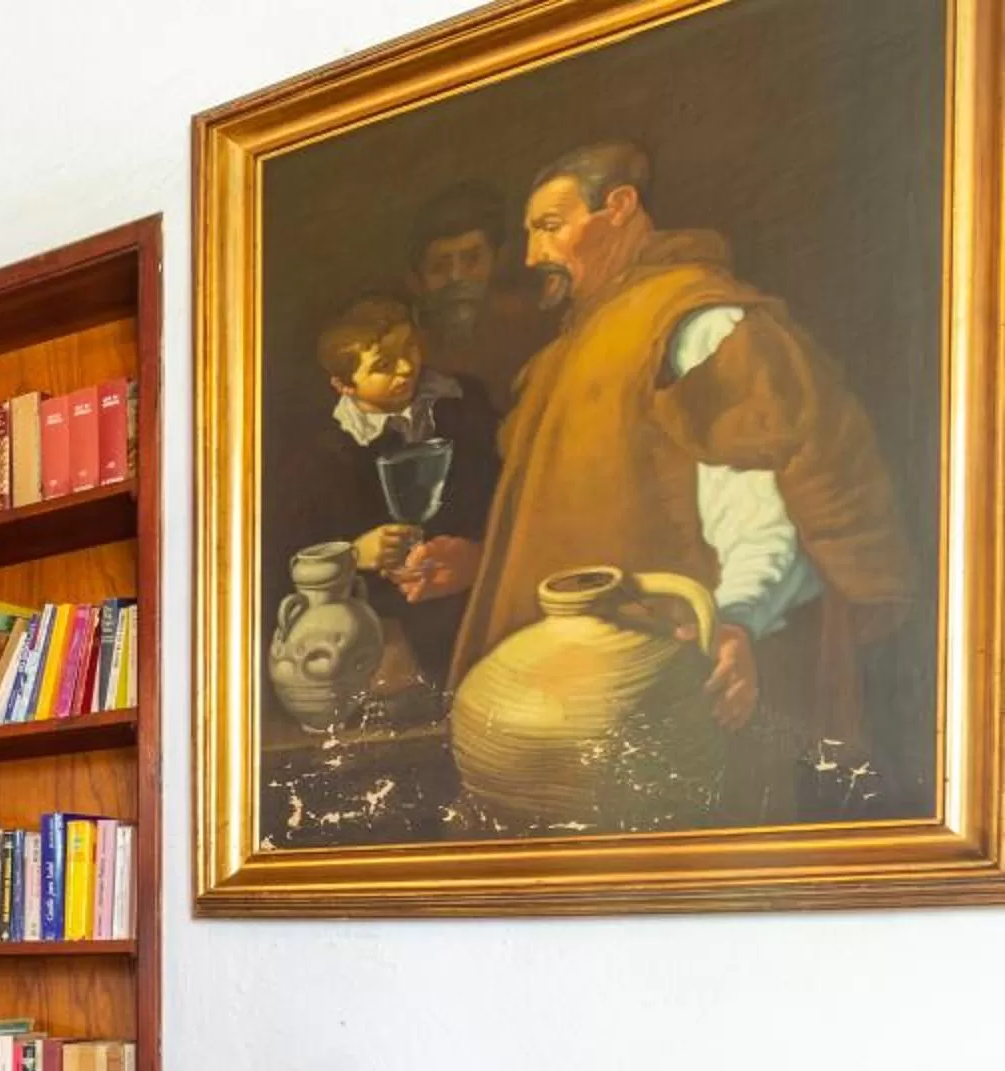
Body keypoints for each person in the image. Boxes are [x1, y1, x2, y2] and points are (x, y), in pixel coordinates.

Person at [418, 140, 919, 819]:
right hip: (569, 701)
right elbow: (596, 507)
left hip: (663, 702)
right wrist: (484, 563)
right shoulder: (590, 336)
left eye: (550, 226)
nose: (534, 255)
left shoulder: (697, 321)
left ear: (619, 208)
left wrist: (737, 621)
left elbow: (759, 507)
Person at [271, 294, 502, 695]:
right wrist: (355, 552)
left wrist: (475, 551)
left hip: (471, 587)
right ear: (343, 385)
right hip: (381, 613)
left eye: (408, 348)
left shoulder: (464, 405)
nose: (407, 367)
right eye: (383, 365)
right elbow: (284, 556)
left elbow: (501, 489)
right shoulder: (322, 455)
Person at [402, 181, 550, 407]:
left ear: (497, 260)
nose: (457, 277)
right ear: (416, 280)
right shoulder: (404, 353)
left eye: (472, 259)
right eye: (439, 267)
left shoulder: (528, 325)